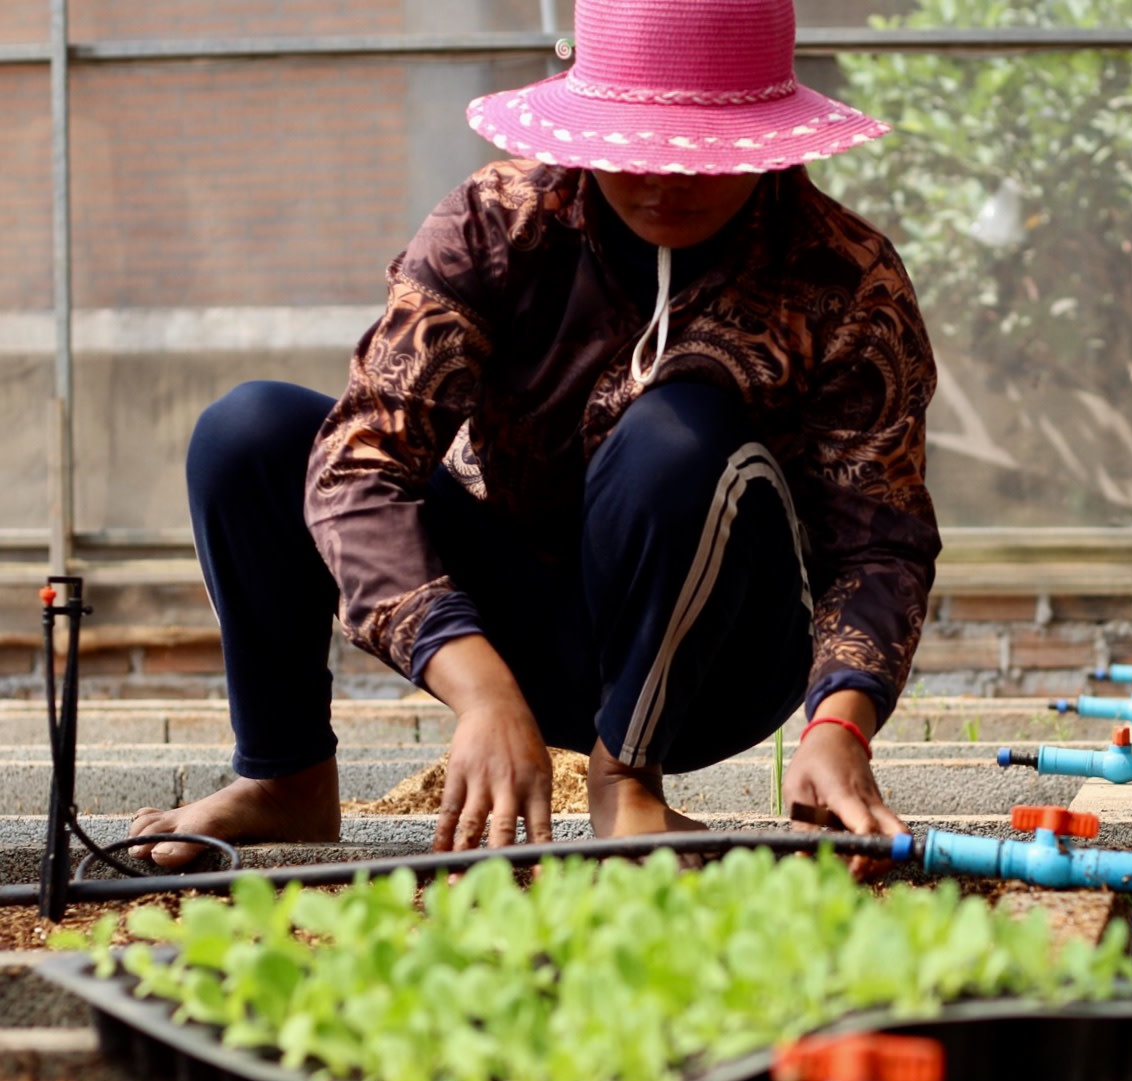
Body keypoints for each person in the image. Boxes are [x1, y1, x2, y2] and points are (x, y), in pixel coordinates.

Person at [126, 0, 939, 870]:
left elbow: (878, 544)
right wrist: (476, 687)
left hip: (715, 656)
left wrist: (838, 723)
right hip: (515, 631)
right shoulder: (498, 224)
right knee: (251, 432)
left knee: (678, 428)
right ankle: (285, 777)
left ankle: (627, 777)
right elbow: (364, 463)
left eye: (697, 155)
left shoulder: (844, 280)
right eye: (633, 147)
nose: (663, 178)